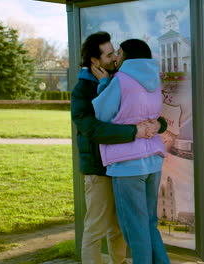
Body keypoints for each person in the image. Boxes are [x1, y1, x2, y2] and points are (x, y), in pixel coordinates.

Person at [71, 32, 164, 264]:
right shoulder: (82, 89)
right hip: (99, 167)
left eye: (116, 53)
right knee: (96, 227)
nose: (114, 58)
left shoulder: (122, 78)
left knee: (121, 228)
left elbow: (147, 113)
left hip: (123, 164)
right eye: (109, 54)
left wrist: (157, 124)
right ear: (94, 60)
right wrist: (136, 131)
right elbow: (93, 129)